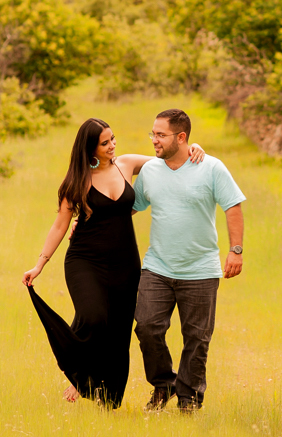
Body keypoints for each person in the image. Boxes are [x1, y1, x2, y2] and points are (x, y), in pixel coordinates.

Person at [22, 117, 205, 408]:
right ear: (90, 148)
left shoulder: (128, 164)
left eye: (113, 139)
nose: (112, 145)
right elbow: (60, 225)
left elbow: (171, 158)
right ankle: (80, 376)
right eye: (105, 142)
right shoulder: (76, 181)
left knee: (119, 330)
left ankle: (107, 398)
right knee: (93, 317)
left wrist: (193, 146)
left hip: (124, 261)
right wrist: (39, 264)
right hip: (85, 259)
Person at [133, 108, 245, 413]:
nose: (154, 140)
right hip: (157, 267)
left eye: (161, 135)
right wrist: (89, 220)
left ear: (181, 137)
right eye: (152, 134)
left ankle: (189, 401)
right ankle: (163, 383)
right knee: (146, 326)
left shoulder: (211, 168)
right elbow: (131, 207)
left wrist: (235, 250)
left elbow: (232, 206)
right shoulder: (150, 171)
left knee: (197, 339)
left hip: (200, 270)